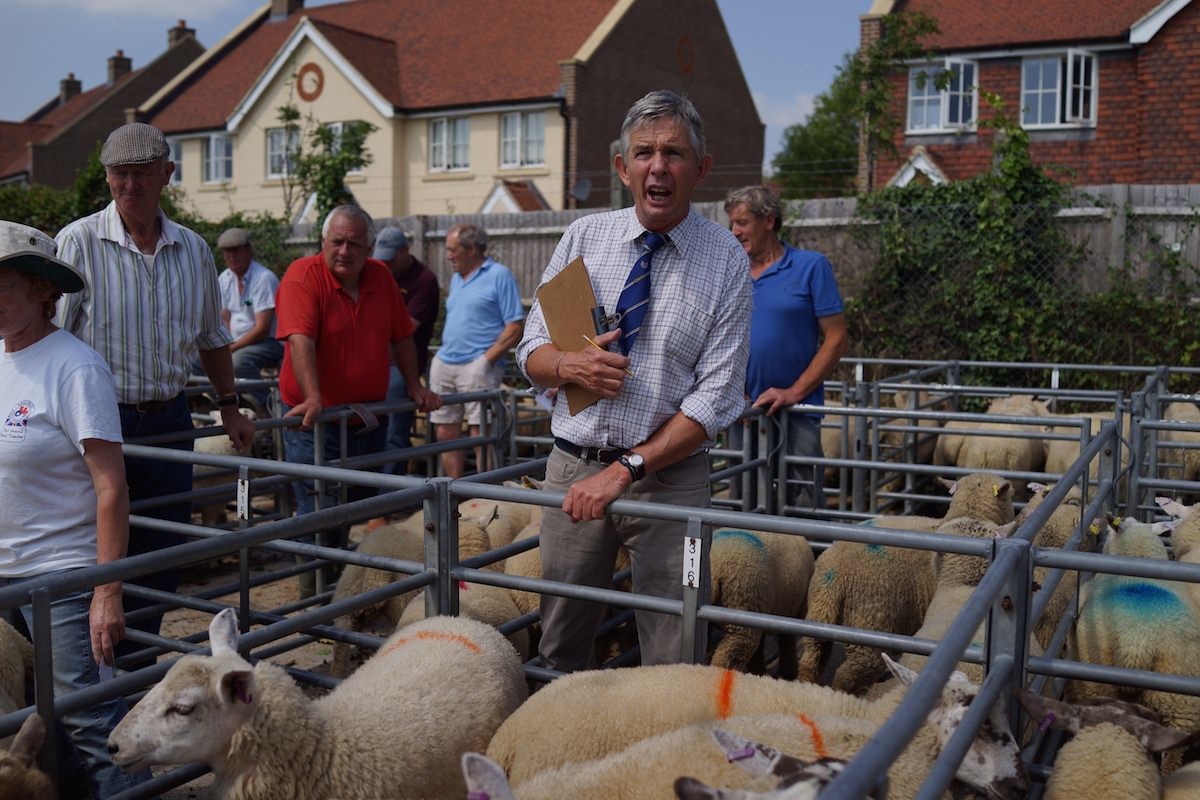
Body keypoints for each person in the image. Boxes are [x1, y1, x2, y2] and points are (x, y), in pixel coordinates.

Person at [516, 90, 751, 672]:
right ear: (622, 168)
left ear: (702, 168)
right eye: (643, 152)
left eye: (674, 152)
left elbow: (718, 397)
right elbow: (530, 351)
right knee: (560, 642)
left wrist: (627, 470)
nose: (658, 167)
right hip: (574, 469)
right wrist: (570, 366)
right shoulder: (583, 238)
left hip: (670, 482)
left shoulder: (726, 260)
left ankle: (668, 757)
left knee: (677, 646)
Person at [55, 122, 255, 665]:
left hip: (168, 418)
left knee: (162, 552)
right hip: (96, 423)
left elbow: (212, 339)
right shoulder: (76, 243)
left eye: (141, 175)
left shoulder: (191, 249)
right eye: (118, 175)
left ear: (167, 175)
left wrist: (229, 404)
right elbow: (48, 337)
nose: (129, 186)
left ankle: (135, 666)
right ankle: (87, 673)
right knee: (94, 551)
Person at [0, 220, 151, 797]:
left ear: (43, 290)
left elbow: (110, 485)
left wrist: (105, 590)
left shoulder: (74, 366)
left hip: (61, 574)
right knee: (22, 719)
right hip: (7, 574)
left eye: (4, 283)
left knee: (87, 718)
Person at [275, 205, 441, 596]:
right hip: (314, 421)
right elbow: (301, 339)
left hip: (366, 419)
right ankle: (316, 599)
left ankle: (336, 587)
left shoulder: (380, 278)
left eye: (354, 243)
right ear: (323, 242)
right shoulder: (303, 275)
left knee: (354, 506)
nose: (344, 251)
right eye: (337, 242)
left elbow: (401, 335)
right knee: (318, 511)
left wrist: (415, 386)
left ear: (369, 247)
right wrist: (314, 397)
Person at [724, 185, 849, 510]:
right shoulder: (730, 274)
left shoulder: (810, 267)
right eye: (732, 224)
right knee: (743, 501)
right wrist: (729, 390)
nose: (734, 231)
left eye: (742, 222)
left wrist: (794, 392)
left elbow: (836, 338)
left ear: (768, 220)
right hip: (744, 413)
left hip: (797, 411)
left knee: (803, 502)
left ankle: (809, 557)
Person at [429, 223, 524, 478]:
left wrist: (485, 361)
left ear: (471, 249)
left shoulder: (499, 275)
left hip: (478, 365)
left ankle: (484, 493)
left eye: (452, 250)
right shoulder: (457, 278)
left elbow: (515, 325)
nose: (448, 256)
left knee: (480, 431)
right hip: (446, 361)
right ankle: (454, 491)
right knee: (445, 430)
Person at [374, 226, 440, 469]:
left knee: (394, 430)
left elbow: (406, 329)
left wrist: (367, 333)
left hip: (401, 365)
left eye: (390, 259)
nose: (386, 264)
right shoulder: (379, 273)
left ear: (405, 250)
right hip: (377, 362)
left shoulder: (424, 280)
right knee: (370, 428)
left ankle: (390, 495)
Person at [215, 226, 283, 411]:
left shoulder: (264, 278)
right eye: (227, 252)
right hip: (237, 342)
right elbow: (224, 317)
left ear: (248, 250)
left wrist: (231, 348)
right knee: (198, 360)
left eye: (236, 250)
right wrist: (224, 344)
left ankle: (267, 406)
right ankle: (224, 405)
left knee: (238, 362)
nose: (232, 256)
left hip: (269, 342)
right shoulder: (225, 278)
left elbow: (262, 329)